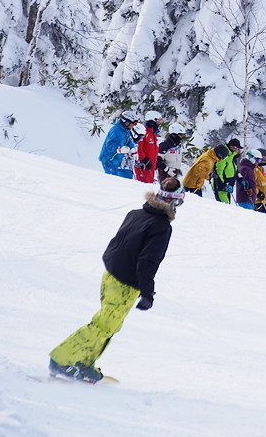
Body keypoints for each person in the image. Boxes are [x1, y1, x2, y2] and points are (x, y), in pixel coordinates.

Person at [48, 177, 185, 382]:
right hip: (125, 284)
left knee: (108, 324)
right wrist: (147, 292)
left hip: (110, 275)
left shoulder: (136, 214)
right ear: (174, 202)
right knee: (103, 325)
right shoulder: (161, 226)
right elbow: (148, 261)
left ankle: (84, 363)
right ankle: (61, 359)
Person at [98, 114, 138, 179]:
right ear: (126, 122)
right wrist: (119, 149)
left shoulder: (126, 130)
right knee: (113, 179)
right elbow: (109, 145)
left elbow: (128, 141)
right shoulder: (116, 130)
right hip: (110, 159)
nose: (133, 126)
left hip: (118, 159)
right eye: (133, 123)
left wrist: (133, 148)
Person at [211, 138, 241, 203]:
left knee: (227, 206)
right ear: (232, 147)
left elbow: (234, 171)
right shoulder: (224, 154)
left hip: (228, 187)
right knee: (224, 207)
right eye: (237, 148)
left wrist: (241, 179)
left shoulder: (232, 156)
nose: (238, 151)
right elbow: (219, 171)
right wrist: (223, 185)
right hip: (221, 187)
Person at [134, 113, 160, 184]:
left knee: (149, 184)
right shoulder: (143, 132)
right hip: (144, 165)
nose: (159, 124)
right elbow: (139, 148)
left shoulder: (153, 134)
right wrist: (144, 159)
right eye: (157, 122)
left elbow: (154, 149)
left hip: (151, 165)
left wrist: (155, 160)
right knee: (143, 185)